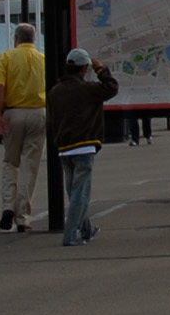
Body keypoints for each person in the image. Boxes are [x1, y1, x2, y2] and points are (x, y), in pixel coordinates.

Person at [46, 47, 122, 246]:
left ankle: (87, 230)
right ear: (83, 69)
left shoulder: (55, 91)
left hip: (64, 148)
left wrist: (56, 142)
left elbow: (51, 121)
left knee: (74, 193)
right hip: (84, 147)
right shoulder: (88, 89)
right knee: (81, 194)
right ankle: (70, 235)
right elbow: (112, 87)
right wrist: (101, 70)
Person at [0, 23, 51, 233]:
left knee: (10, 162)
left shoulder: (6, 58)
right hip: (38, 113)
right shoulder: (43, 60)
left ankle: (8, 205)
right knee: (30, 165)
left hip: (13, 113)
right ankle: (23, 216)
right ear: (34, 39)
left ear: (16, 39)